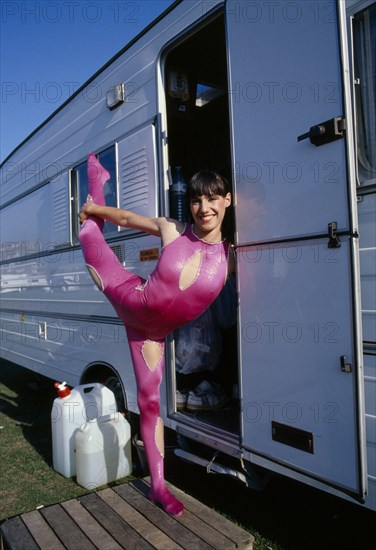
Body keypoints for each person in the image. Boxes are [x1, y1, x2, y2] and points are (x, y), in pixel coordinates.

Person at [79, 152, 234, 517]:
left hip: (149, 334)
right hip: (127, 294)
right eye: (196, 199)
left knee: (150, 406)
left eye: (212, 198)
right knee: (88, 233)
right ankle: (94, 182)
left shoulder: (232, 254)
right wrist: (96, 212)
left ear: (227, 200)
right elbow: (129, 219)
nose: (203, 207)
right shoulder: (173, 230)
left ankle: (158, 488)